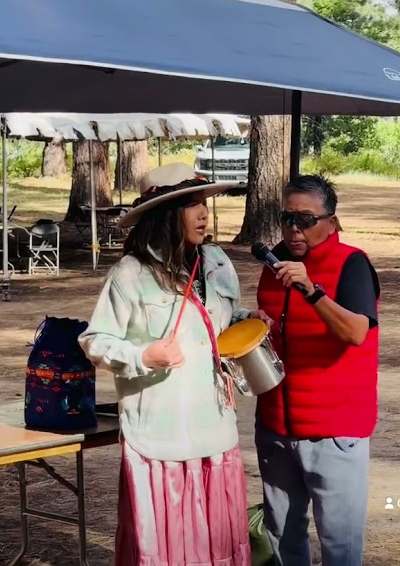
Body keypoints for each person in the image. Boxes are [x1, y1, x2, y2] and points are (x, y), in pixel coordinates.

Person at [78, 162, 272, 566]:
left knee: (216, 546)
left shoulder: (217, 262)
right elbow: (95, 340)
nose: (204, 214)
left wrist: (248, 320)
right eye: (191, 205)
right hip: (159, 439)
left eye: (204, 203)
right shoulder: (130, 274)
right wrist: (142, 356)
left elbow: (219, 320)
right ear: (166, 214)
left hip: (215, 433)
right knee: (164, 551)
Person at [253, 174, 381, 566]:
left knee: (339, 545)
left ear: (332, 221)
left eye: (306, 219)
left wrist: (312, 291)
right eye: (287, 217)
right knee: (282, 537)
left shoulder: (352, 264)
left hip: (333, 432)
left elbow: (356, 332)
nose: (294, 228)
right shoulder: (273, 264)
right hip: (276, 426)